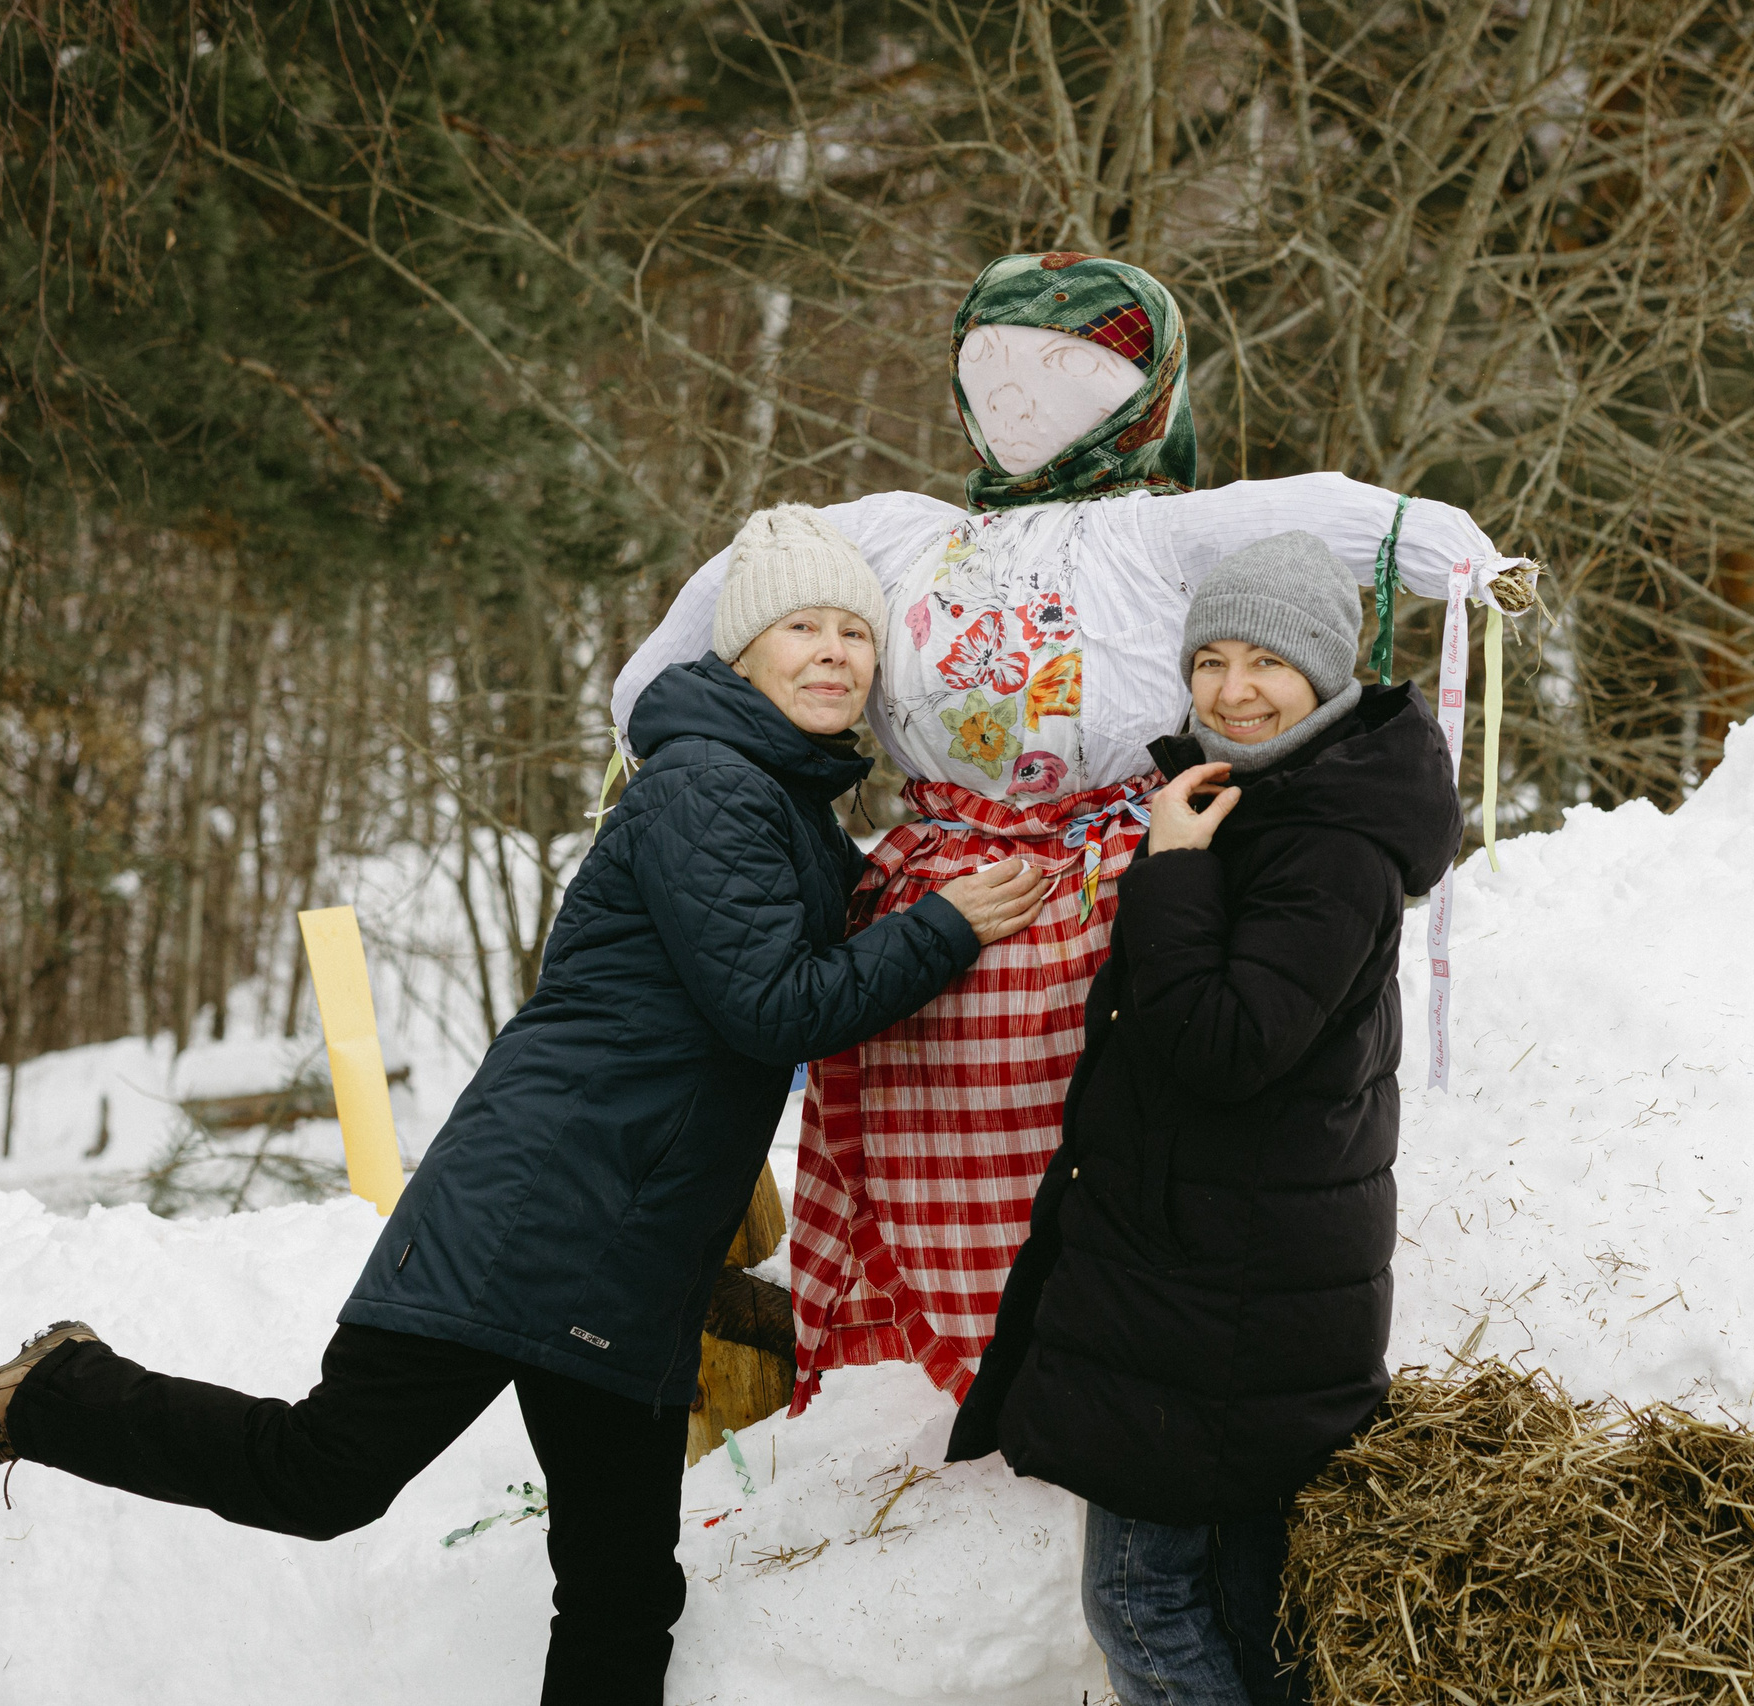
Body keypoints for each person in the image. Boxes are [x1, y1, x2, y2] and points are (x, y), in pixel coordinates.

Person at [0, 505, 1047, 1706]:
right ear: (740, 654)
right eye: (801, 626)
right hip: (533, 1211)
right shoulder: (708, 789)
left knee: (618, 1585)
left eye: (855, 633)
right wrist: (948, 922)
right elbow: (774, 1006)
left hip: (629, 1250)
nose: (833, 652)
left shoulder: (787, 809)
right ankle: (58, 1390)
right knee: (326, 1473)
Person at [606, 252, 1532, 1417]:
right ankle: (932, 1363)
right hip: (933, 887)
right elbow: (754, 568)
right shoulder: (900, 533)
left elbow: (1310, 511)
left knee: (1100, 1129)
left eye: (1062, 369)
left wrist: (1460, 554)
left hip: (1109, 879)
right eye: (987, 365)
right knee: (923, 1127)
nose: (1015, 394)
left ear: (1141, 392)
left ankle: (1085, 1352)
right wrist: (647, 700)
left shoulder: (1162, 537)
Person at [945, 533, 1463, 1706]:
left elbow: (1228, 1043)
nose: (1234, 688)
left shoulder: (1325, 841)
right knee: (1241, 1605)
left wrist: (1169, 871)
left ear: (1328, 672)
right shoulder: (1272, 798)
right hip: (1225, 1278)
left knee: (1137, 1596)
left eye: (1269, 661)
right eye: (1212, 658)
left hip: (1216, 1300)